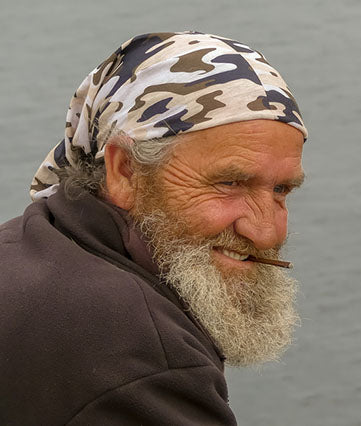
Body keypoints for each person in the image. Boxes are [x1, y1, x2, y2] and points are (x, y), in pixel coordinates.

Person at [0, 31, 307, 425]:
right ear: (126, 172)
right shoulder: (138, 354)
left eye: (281, 189)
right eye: (229, 183)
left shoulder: (23, 246)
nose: (265, 233)